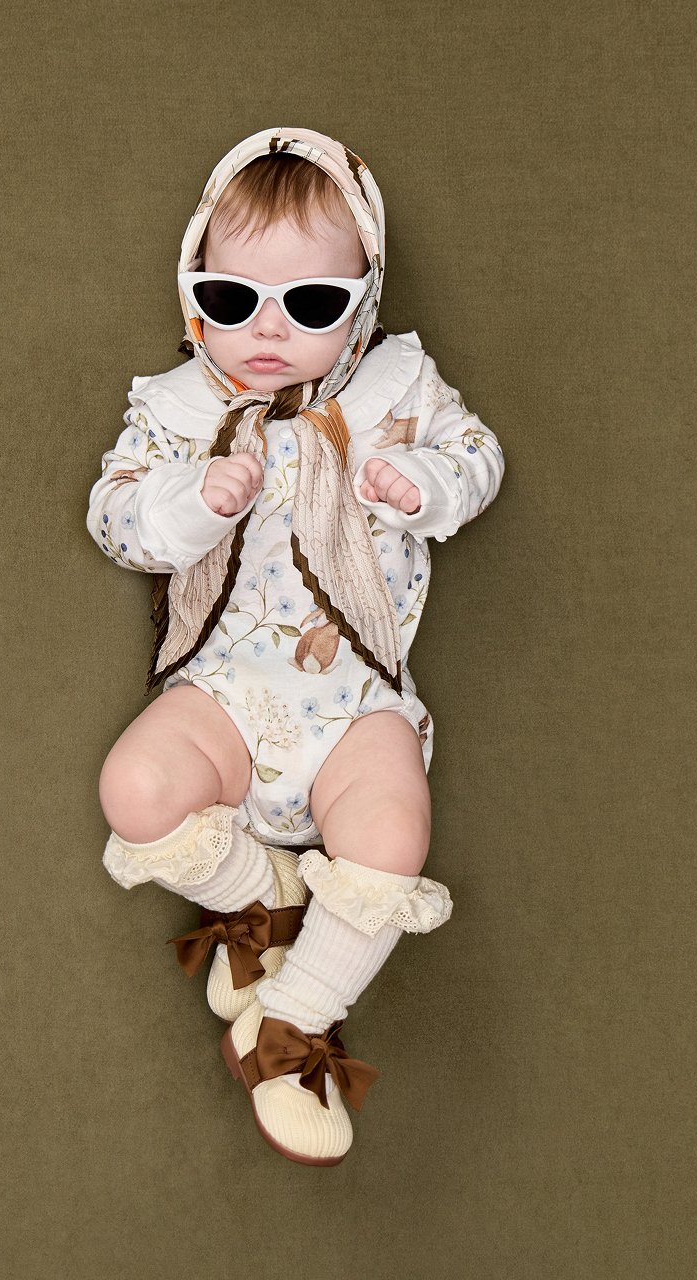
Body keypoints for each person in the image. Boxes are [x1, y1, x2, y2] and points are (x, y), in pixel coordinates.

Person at [87, 127, 504, 1166]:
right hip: (225, 693)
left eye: (311, 303)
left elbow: (476, 454)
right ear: (194, 297)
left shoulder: (394, 395)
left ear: (362, 304)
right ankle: (256, 896)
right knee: (134, 787)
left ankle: (292, 1022)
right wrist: (190, 503)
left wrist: (427, 483)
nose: (265, 329)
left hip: (354, 702)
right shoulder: (179, 412)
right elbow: (116, 515)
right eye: (231, 299)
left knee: (390, 834)